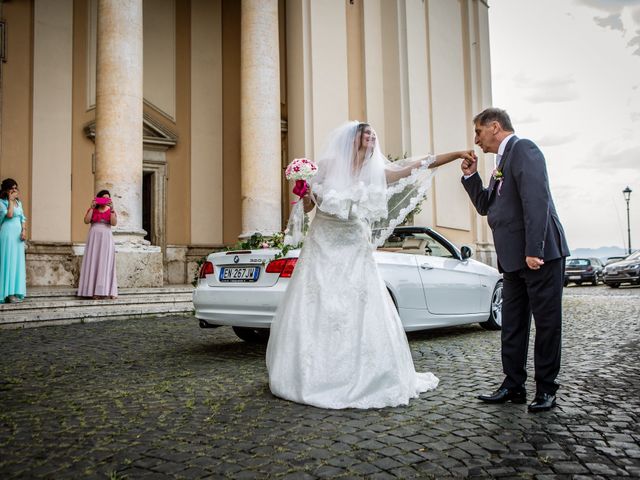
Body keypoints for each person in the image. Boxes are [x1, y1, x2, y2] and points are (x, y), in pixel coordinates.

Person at [266, 121, 474, 409]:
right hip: (322, 247)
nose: (372, 139)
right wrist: (301, 191)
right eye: (368, 135)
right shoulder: (325, 166)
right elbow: (308, 207)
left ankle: (369, 373)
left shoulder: (377, 171)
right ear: (353, 139)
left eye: (374, 136)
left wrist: (455, 154)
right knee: (317, 305)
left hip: (354, 248)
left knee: (360, 306)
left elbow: (420, 165)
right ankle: (310, 372)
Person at [460, 108, 569, 412]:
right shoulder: (500, 162)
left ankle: (546, 389)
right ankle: (513, 385)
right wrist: (471, 177)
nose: (476, 139)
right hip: (512, 259)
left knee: (547, 325)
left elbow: (537, 200)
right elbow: (487, 206)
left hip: (539, 256)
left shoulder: (524, 149)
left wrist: (535, 249)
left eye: (478, 132)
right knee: (513, 325)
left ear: (495, 127)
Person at [77, 189, 118, 299]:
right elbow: (86, 221)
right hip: (94, 238)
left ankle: (105, 290)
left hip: (106, 238)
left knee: (105, 262)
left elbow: (114, 223)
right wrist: (91, 207)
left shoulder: (110, 210)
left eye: (107, 198)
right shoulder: (93, 209)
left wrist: (113, 209)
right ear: (98, 198)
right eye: (103, 197)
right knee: (93, 261)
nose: (105, 199)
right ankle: (91, 290)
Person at [0, 178, 27, 303]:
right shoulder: (2, 202)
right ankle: (7, 293)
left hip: (18, 236)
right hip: (7, 234)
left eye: (16, 188)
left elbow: (22, 217)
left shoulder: (19, 203)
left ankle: (16, 291)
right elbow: (9, 215)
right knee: (8, 261)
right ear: (6, 190)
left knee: (17, 262)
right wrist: (10, 200)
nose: (15, 190)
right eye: (12, 188)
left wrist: (24, 231)